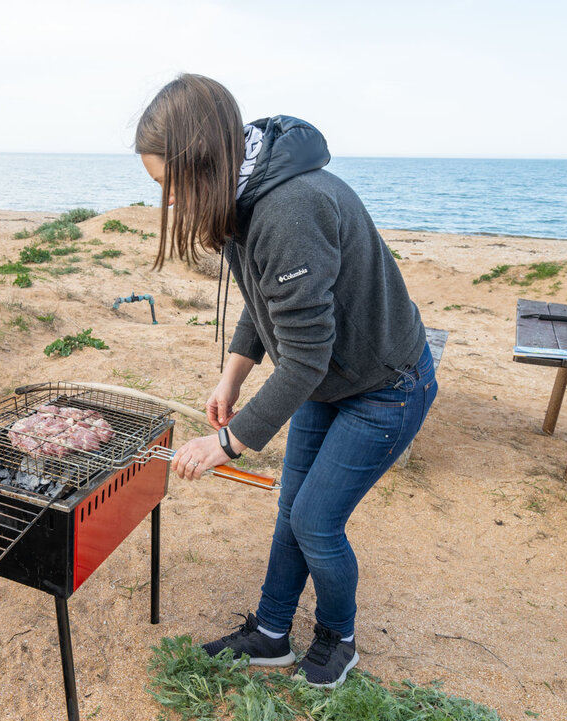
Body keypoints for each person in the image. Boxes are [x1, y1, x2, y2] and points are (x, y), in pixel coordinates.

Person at [134, 74, 437, 688]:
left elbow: (305, 357)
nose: (168, 202)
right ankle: (271, 634)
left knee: (316, 522)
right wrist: (232, 377)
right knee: (291, 511)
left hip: (384, 384)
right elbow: (264, 299)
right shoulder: (245, 195)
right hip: (330, 379)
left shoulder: (289, 208)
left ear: (205, 162)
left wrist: (224, 444)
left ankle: (337, 638)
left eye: (169, 185)